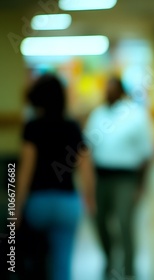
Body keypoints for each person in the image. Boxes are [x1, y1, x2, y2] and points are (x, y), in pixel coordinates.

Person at [15, 73, 96, 280]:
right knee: (62, 265)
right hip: (67, 203)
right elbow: (85, 168)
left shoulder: (32, 127)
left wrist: (15, 207)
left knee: (36, 261)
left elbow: (25, 172)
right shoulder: (72, 127)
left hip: (38, 203)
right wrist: (90, 198)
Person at [84, 76, 154, 279]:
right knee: (98, 220)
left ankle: (129, 266)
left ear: (121, 91)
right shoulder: (97, 114)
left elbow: (147, 154)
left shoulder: (136, 115)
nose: (108, 92)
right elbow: (87, 149)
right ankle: (108, 259)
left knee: (124, 221)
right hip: (102, 176)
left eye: (112, 88)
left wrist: (142, 185)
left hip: (126, 178)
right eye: (106, 88)